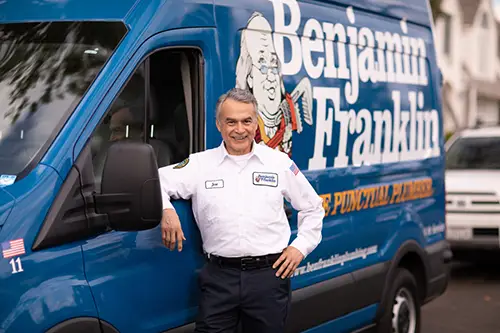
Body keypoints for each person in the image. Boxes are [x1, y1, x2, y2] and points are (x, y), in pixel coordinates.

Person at [158, 88, 324, 333]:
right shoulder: (200, 164)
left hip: (268, 277)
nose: (239, 129)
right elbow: (157, 180)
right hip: (219, 278)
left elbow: (313, 208)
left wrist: (299, 248)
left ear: (255, 123)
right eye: (231, 122)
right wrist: (165, 209)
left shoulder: (278, 163)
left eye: (247, 121)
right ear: (218, 125)